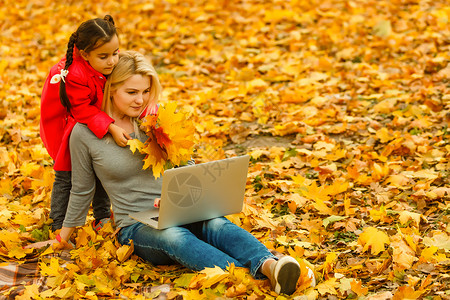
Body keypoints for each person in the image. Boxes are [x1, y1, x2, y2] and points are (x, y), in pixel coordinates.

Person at [31, 51, 316, 295]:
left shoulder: (155, 119)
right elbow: (82, 190)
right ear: (111, 89)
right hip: (135, 226)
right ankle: (248, 279)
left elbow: (187, 167)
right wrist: (62, 237)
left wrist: (186, 196)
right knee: (174, 237)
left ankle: (271, 266)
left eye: (145, 91)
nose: (140, 100)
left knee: (216, 224)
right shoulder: (85, 133)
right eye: (131, 92)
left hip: (181, 207)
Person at [40, 15, 128, 231]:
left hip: (95, 127)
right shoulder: (73, 74)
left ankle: (102, 217)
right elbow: (81, 109)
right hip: (70, 130)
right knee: (66, 177)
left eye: (115, 53)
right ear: (85, 54)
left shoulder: (106, 66)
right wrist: (110, 126)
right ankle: (58, 224)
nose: (112, 61)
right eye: (104, 56)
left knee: (101, 172)